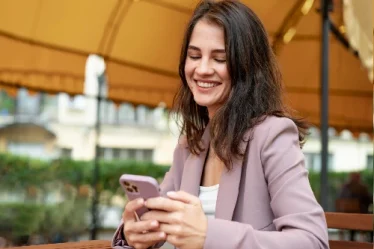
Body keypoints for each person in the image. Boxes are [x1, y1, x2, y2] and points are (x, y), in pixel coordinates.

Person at [112, 1, 329, 248]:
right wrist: (135, 232)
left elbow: (313, 241)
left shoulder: (272, 135)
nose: (202, 69)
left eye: (220, 59)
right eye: (194, 56)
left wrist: (208, 235)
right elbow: (161, 220)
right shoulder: (190, 145)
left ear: (247, 66)